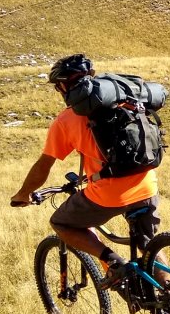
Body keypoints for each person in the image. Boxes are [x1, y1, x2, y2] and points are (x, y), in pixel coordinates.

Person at [10, 53, 160, 290]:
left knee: (61, 223)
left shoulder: (66, 120)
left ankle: (113, 262)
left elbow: (44, 165)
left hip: (110, 194)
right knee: (147, 244)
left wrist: (23, 193)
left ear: (62, 87)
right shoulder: (127, 100)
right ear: (91, 76)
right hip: (146, 182)